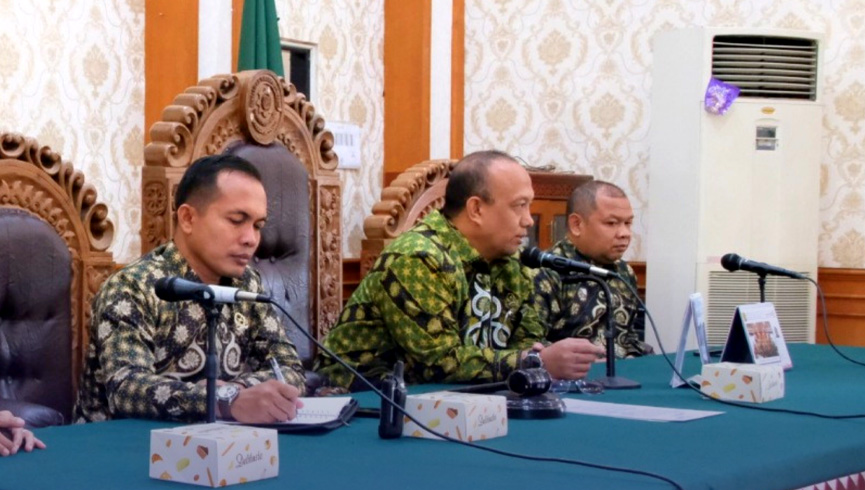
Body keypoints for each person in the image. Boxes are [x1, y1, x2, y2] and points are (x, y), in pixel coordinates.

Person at [316, 150, 604, 390]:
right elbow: (437, 363)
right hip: (366, 399)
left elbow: (524, 340)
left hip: (462, 399)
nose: (529, 220)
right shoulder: (418, 258)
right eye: (519, 206)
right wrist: (534, 362)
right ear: (476, 209)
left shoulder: (511, 261)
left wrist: (540, 355)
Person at [74, 154, 306, 424]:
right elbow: (126, 388)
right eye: (236, 220)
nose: (251, 239)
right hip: (126, 449)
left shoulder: (247, 283)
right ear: (187, 218)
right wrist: (224, 400)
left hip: (225, 447)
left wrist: (238, 393)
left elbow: (289, 371)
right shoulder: (132, 287)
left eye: (257, 226)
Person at [541, 180, 652, 358]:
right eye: (611, 223)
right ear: (577, 224)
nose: (624, 233)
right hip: (570, 380)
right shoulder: (546, 272)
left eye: (628, 223)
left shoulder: (624, 272)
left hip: (622, 375)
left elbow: (627, 337)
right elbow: (533, 347)